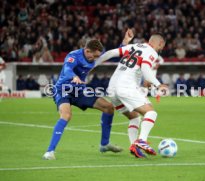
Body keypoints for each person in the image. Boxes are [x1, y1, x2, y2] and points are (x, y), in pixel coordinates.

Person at [42, 29, 134, 160]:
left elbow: (113, 54)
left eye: (97, 57)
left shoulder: (94, 57)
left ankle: (104, 144)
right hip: (63, 90)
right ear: (87, 50)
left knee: (108, 107)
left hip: (79, 91)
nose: (96, 59)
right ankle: (49, 152)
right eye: (94, 56)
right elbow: (67, 69)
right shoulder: (73, 56)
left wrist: (125, 42)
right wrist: (74, 76)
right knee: (66, 115)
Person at [94, 33, 168, 158]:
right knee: (151, 113)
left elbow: (110, 53)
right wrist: (158, 84)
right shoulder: (152, 52)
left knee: (134, 117)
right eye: (162, 47)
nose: (160, 50)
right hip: (126, 86)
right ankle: (142, 141)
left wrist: (91, 65)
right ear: (160, 43)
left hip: (112, 88)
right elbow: (145, 69)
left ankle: (134, 146)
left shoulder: (134, 46)